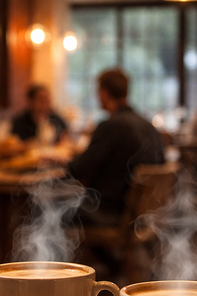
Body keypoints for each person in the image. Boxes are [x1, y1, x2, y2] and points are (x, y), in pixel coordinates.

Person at [67, 69, 165, 226]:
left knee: (44, 207)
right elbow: (162, 163)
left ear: (104, 93)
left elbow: (80, 169)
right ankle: (104, 251)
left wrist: (61, 163)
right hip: (144, 213)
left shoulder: (110, 126)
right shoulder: (149, 126)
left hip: (111, 213)